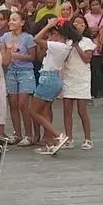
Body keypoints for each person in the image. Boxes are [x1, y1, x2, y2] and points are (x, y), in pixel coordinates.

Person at [29, 17, 78, 155]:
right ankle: (50, 143)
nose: (50, 37)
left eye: (52, 34)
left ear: (58, 34)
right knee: (44, 111)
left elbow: (36, 39)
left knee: (33, 111)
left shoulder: (59, 46)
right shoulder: (65, 45)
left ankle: (58, 135)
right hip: (53, 79)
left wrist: (48, 25)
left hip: (48, 79)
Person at [0, 12, 37, 145]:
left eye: (14, 20)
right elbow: (2, 53)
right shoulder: (5, 37)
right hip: (10, 72)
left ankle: (29, 135)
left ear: (22, 22)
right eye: (10, 20)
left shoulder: (28, 38)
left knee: (23, 103)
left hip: (25, 72)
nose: (11, 22)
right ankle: (17, 134)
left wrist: (15, 55)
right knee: (13, 103)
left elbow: (32, 57)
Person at [62, 15, 95, 150]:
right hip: (69, 77)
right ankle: (68, 138)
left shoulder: (87, 41)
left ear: (85, 26)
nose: (78, 25)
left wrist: (77, 46)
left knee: (82, 111)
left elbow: (87, 59)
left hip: (82, 78)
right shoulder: (67, 42)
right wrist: (70, 45)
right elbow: (63, 59)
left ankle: (88, 138)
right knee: (67, 110)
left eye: (81, 23)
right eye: (75, 23)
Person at [85, 0, 103, 98]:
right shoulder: (86, 17)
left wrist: (100, 30)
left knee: (101, 71)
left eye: (97, 4)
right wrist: (91, 31)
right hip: (90, 47)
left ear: (100, 5)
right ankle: (92, 92)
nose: (95, 7)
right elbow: (84, 30)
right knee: (92, 71)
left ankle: (102, 92)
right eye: (93, 5)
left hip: (101, 47)